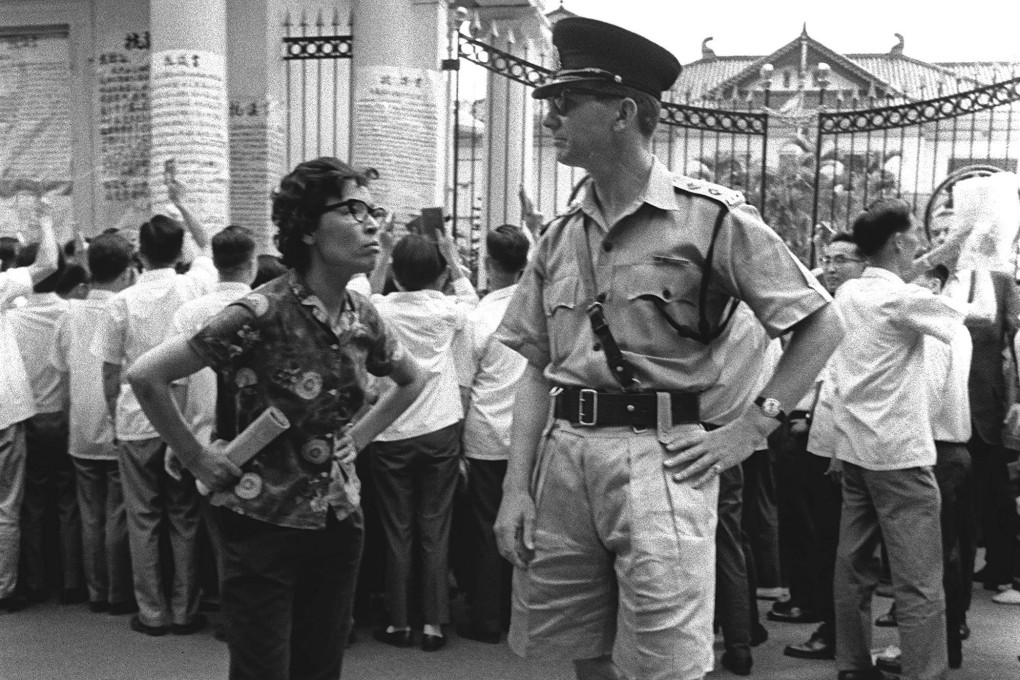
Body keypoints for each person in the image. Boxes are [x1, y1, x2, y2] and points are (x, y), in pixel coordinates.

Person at [492, 17, 843, 680]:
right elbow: (535, 369)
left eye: (566, 102)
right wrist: (516, 486)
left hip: (664, 460)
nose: (550, 116)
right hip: (565, 455)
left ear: (623, 111)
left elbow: (820, 326)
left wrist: (751, 428)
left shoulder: (712, 220)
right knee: (577, 650)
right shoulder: (559, 236)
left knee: (663, 663)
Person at [127, 157, 425, 680]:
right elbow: (147, 375)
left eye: (372, 210)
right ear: (308, 228)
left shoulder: (362, 315)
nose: (372, 223)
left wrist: (359, 437)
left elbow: (412, 380)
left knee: (320, 665)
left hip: (338, 518)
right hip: (260, 521)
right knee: (262, 668)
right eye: (352, 209)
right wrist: (197, 456)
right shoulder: (259, 312)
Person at [830, 199, 974, 680]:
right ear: (897, 241)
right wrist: (965, 257)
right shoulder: (903, 301)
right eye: (914, 234)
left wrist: (946, 248)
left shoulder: (850, 292)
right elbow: (976, 320)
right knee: (919, 581)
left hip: (855, 449)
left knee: (852, 570)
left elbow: (898, 277)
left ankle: (852, 664)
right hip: (900, 457)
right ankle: (923, 673)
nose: (920, 241)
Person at [91, 179, 215, 636]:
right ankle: (186, 609)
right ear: (177, 251)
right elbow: (208, 248)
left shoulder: (122, 302)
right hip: (180, 421)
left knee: (142, 516)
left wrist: (113, 412)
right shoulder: (193, 286)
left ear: (137, 256)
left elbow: (109, 371)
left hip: (135, 419)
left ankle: (152, 611)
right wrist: (183, 203)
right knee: (183, 515)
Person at [366, 231, 478, 652]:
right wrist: (453, 257)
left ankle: (397, 622)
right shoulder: (450, 311)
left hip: (391, 429)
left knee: (397, 528)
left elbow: (367, 293)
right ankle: (432, 622)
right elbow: (471, 300)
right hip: (440, 428)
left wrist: (384, 257)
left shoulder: (379, 310)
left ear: (397, 271)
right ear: (440, 273)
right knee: (435, 527)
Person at [780, 233, 867, 662]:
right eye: (828, 259)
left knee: (839, 545)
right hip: (818, 439)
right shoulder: (823, 308)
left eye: (843, 260)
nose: (832, 267)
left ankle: (838, 634)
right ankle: (830, 624)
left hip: (846, 445)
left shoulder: (862, 310)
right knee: (821, 537)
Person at [51, 232, 137, 615]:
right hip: (118, 420)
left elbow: (60, 369)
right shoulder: (126, 308)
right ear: (125, 272)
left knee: (89, 513)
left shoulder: (69, 314)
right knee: (117, 511)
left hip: (81, 423)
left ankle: (95, 590)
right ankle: (119, 591)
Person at [456, 224, 530, 644]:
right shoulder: (538, 310)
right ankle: (523, 612)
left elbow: (465, 386)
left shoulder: (479, 317)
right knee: (528, 522)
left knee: (488, 525)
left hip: (486, 434)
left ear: (488, 265)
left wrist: (458, 445)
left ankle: (487, 614)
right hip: (531, 434)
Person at [700, 301, 783, 675]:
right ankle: (739, 643)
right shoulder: (760, 325)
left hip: (693, 427)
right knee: (729, 542)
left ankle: (702, 639)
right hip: (733, 433)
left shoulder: (715, 317)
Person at [8, 245, 85, 605]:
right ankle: (71, 580)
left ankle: (36, 579)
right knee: (68, 499)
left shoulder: (13, 317)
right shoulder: (70, 312)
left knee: (33, 501)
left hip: (28, 415)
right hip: (62, 413)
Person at [0, 198, 58, 612]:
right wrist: (45, 217)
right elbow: (48, 265)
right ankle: (3, 588)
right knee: (7, 504)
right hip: (5, 407)